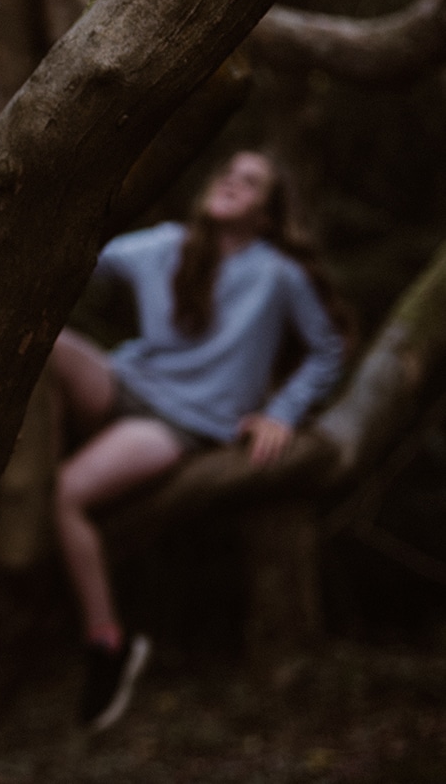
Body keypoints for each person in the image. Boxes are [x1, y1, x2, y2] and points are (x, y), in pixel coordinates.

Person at [47, 149, 346, 732]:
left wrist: (281, 412)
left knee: (64, 494)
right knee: (45, 343)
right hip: (125, 383)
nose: (232, 181)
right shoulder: (165, 243)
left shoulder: (277, 274)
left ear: (266, 213)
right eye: (228, 172)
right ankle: (21, 479)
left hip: (180, 422)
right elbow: (77, 258)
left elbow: (329, 347)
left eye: (251, 181)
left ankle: (108, 641)